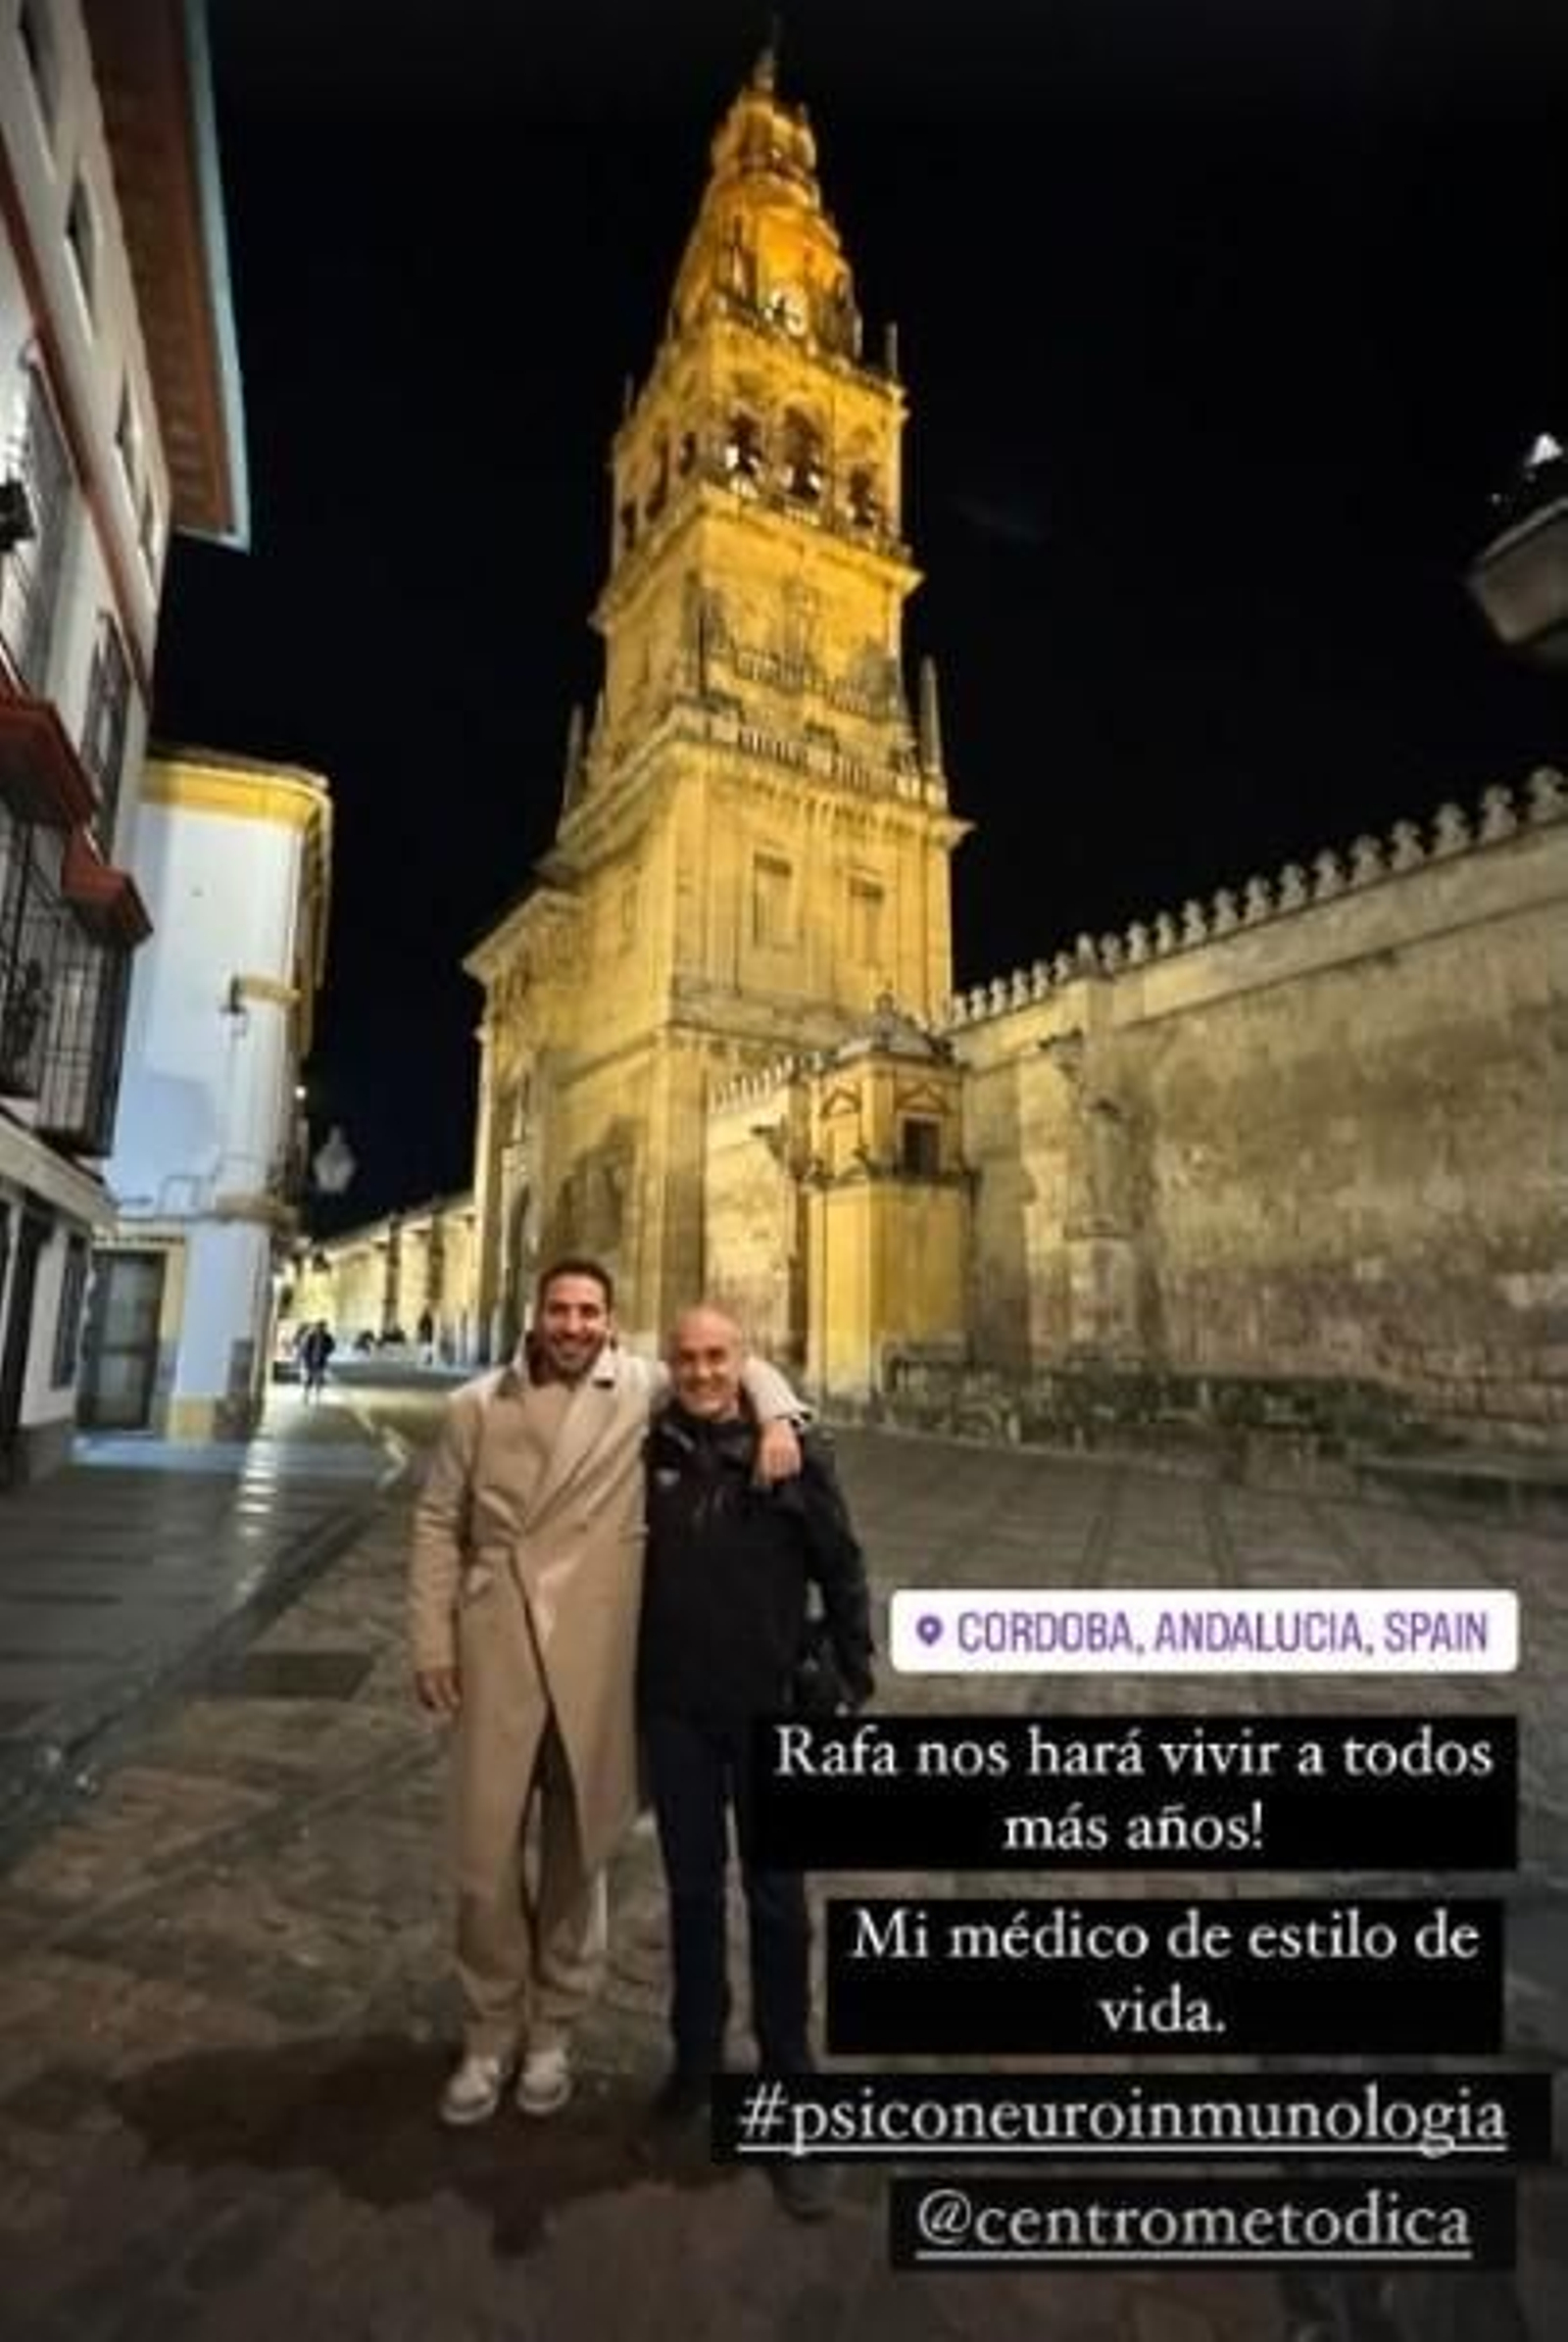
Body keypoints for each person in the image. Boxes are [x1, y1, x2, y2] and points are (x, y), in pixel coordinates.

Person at [409, 1257, 806, 2128]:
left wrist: (777, 1409)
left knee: (575, 1856)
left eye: (590, 1312)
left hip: (592, 1657)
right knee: (482, 1862)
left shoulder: (640, 1388)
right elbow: (439, 1520)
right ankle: (487, 2033)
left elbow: (730, 1362)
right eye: (561, 1310)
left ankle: (550, 2032)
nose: (575, 1325)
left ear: (610, 1322)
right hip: (499, 1644)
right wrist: (432, 1637)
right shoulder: (479, 1403)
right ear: (537, 1315)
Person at [638, 1302, 873, 2220]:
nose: (701, 1373)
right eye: (687, 1359)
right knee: (692, 1897)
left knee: (779, 1906)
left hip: (774, 1710)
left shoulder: (792, 1453)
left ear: (745, 1362)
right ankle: (695, 2066)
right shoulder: (645, 1448)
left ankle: (792, 2101)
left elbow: (843, 1566)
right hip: (677, 1713)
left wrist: (850, 1677)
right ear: (671, 1366)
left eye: (719, 1358)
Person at [297, 1319, 334, 1401]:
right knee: (308, 1378)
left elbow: (332, 1346)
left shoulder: (327, 1337)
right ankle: (306, 1394)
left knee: (319, 1378)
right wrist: (304, 1358)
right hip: (310, 1361)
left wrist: (326, 1351)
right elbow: (304, 1348)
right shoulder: (310, 1336)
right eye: (321, 1326)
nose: (322, 1329)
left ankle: (317, 1395)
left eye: (323, 1327)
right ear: (317, 1327)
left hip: (320, 1361)